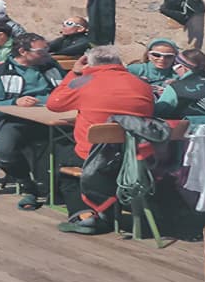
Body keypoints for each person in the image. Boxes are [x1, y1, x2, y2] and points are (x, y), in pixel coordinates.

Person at [46, 46, 155, 234]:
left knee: (61, 158)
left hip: (94, 155)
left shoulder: (85, 81)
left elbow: (54, 104)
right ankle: (107, 210)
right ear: (119, 63)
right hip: (135, 155)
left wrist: (74, 72)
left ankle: (85, 216)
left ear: (89, 63)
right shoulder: (140, 84)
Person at [0, 33, 68, 210]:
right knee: (6, 151)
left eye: (47, 50)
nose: (47, 54)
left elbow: (67, 90)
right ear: (22, 51)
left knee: (69, 144)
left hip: (50, 117)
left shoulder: (51, 67)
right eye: (41, 51)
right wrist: (14, 102)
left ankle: (59, 188)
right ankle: (28, 185)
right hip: (14, 120)